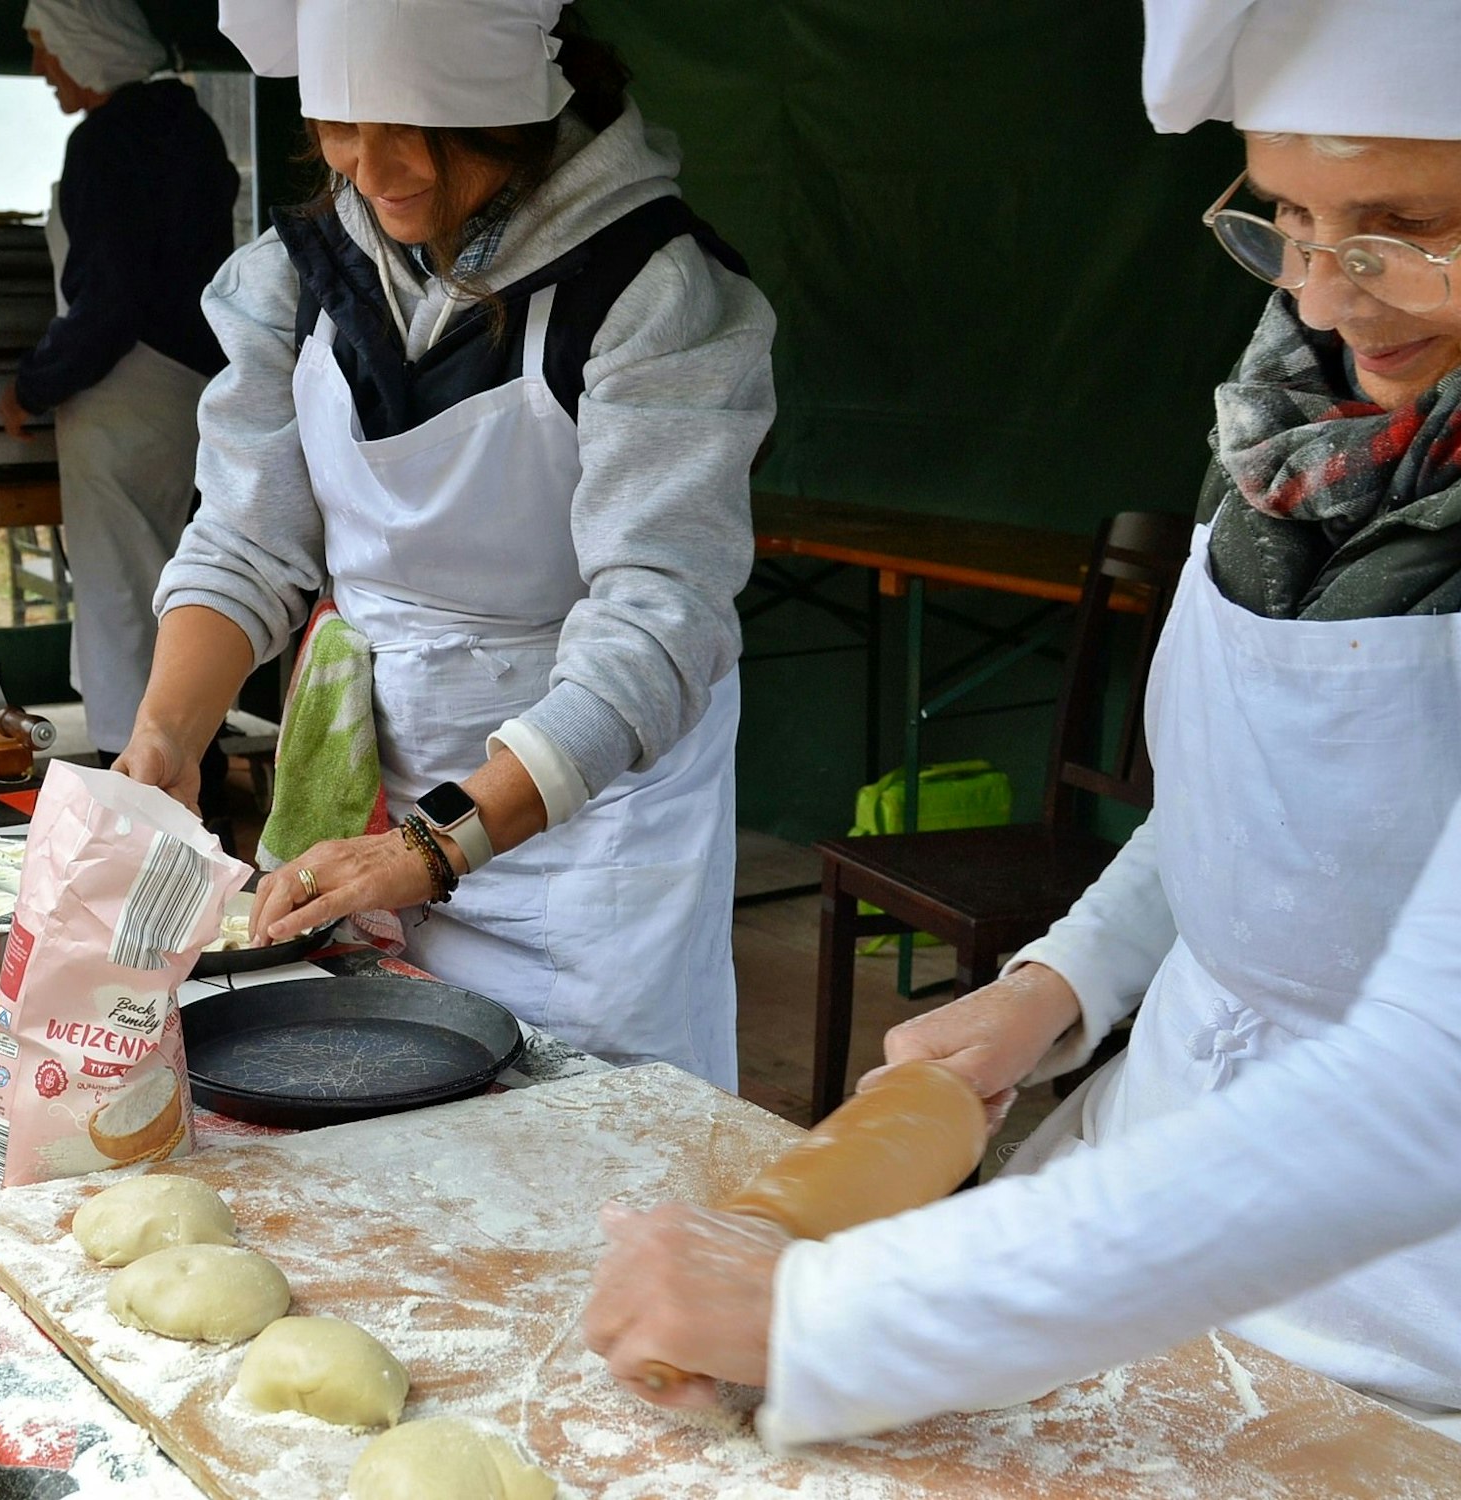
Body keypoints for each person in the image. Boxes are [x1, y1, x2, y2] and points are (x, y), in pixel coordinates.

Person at [584, 0, 1461, 1448]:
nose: (1322, 298)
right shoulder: (1291, 439)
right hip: (1146, 1206)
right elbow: (1249, 812)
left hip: (1409, 1317)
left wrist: (838, 1317)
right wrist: (1059, 987)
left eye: (1401, 228)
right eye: (1289, 217)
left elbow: (1420, 1089)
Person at [125, 0, 775, 1086]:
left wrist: (436, 845)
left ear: (506, 112)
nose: (372, 170)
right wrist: (163, 743)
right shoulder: (299, 279)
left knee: (585, 1149)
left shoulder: (649, 293)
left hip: (591, 816)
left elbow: (654, 615)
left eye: (413, 126)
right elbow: (246, 538)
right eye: (337, 124)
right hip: (377, 808)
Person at [1, 0, 240, 768]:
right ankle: (184, 743)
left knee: (120, 582)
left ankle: (132, 768)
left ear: (85, 42)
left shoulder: (108, 141)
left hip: (124, 388)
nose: (41, 67)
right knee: (173, 570)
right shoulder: (186, 123)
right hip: (184, 383)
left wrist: (33, 385)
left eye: (45, 48)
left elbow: (110, 299)